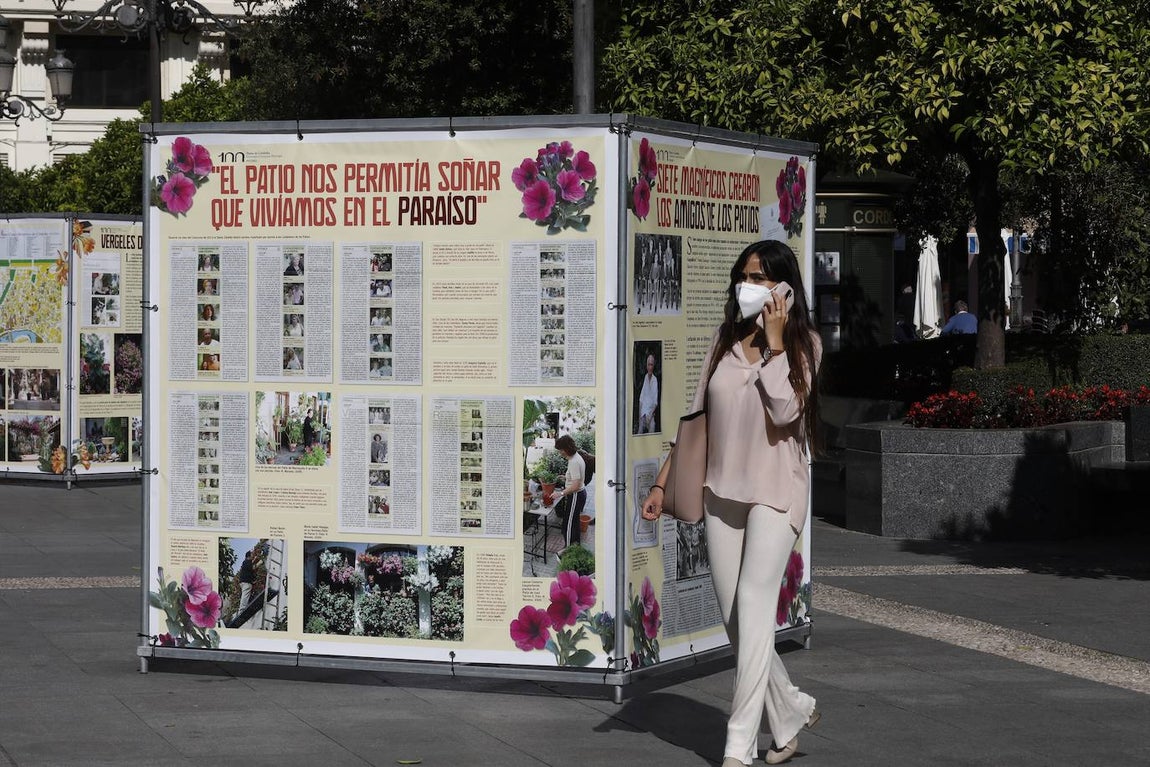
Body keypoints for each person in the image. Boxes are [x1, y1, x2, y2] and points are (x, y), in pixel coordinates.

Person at [640, 240, 822, 767]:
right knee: (737, 618)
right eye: (746, 276)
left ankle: (738, 745)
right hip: (721, 490)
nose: (752, 286)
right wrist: (661, 485)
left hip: (777, 492)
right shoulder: (722, 338)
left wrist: (775, 343)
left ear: (785, 286)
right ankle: (789, 709)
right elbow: (695, 420)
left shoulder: (805, 343)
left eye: (763, 277)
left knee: (756, 602)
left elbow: (788, 409)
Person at [553, 435, 587, 547]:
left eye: (561, 450)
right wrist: (566, 477)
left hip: (576, 495)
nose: (560, 453)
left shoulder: (573, 462)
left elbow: (576, 485)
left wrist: (560, 493)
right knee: (574, 522)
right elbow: (577, 478)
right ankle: (575, 547)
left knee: (568, 525)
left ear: (567, 448)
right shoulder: (576, 457)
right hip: (580, 494)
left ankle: (567, 550)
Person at [637, 354, 659, 433]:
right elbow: (641, 399)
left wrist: (650, 416)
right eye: (648, 364)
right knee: (639, 432)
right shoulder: (645, 377)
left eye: (651, 365)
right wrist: (639, 416)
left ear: (653, 366)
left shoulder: (655, 380)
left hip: (650, 414)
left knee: (652, 429)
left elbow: (655, 403)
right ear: (646, 366)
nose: (650, 367)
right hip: (643, 414)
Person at [237, 550, 256, 616]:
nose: (253, 556)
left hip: (243, 582)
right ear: (249, 556)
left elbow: (249, 568)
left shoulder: (246, 562)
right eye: (252, 554)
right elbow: (252, 568)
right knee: (245, 595)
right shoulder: (247, 562)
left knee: (245, 595)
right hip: (246, 582)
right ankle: (241, 611)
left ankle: (242, 610)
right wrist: (260, 562)